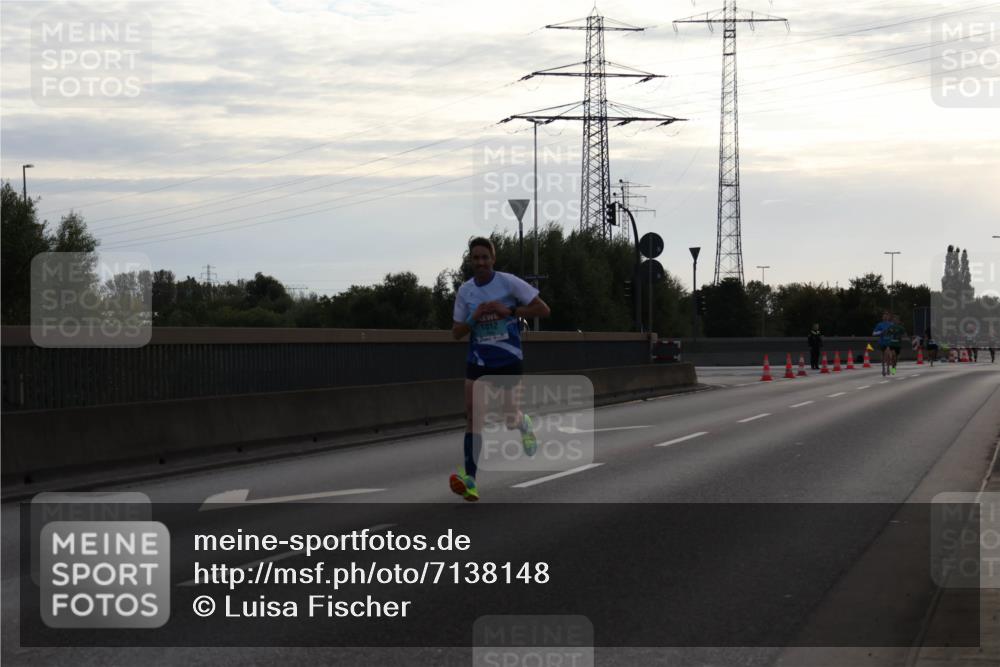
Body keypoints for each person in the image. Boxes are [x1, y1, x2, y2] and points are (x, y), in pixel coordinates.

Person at [449, 237, 551, 501]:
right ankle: (470, 480)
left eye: (485, 257)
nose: (481, 262)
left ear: (493, 259)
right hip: (478, 361)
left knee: (509, 418)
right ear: (470, 261)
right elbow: (456, 333)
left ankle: (523, 423)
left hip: (508, 359)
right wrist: (475, 317)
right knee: (473, 417)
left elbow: (543, 309)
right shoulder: (466, 291)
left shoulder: (508, 282)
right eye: (476, 258)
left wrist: (510, 311)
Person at [872, 312, 894, 376]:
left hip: (889, 343)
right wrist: (880, 332)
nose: (885, 317)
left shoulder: (891, 324)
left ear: (889, 317)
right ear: (882, 317)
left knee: (889, 355)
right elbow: (873, 333)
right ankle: (883, 369)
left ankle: (888, 368)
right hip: (882, 342)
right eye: (884, 316)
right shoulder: (879, 325)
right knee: (883, 357)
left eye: (887, 316)